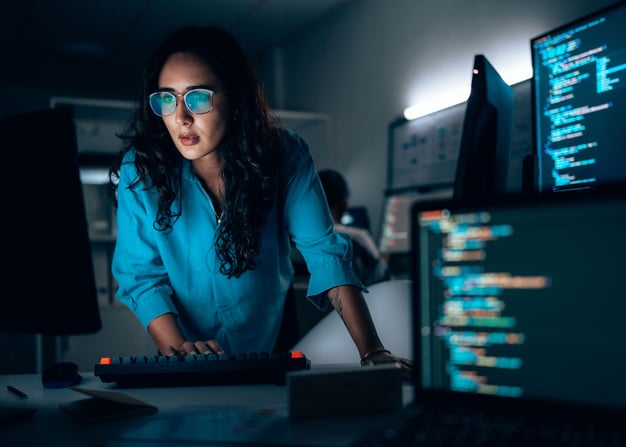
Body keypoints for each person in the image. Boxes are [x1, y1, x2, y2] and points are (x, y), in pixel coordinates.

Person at [109, 25, 412, 376]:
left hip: (270, 338)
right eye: (167, 98)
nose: (181, 118)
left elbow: (324, 253)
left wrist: (372, 352)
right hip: (182, 345)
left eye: (198, 97)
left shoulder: (285, 154)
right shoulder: (141, 169)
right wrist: (183, 357)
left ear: (236, 99)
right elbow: (141, 277)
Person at [317, 169, 391, 286]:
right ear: (344, 204)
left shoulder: (294, 241)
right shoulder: (358, 238)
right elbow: (385, 278)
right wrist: (385, 257)